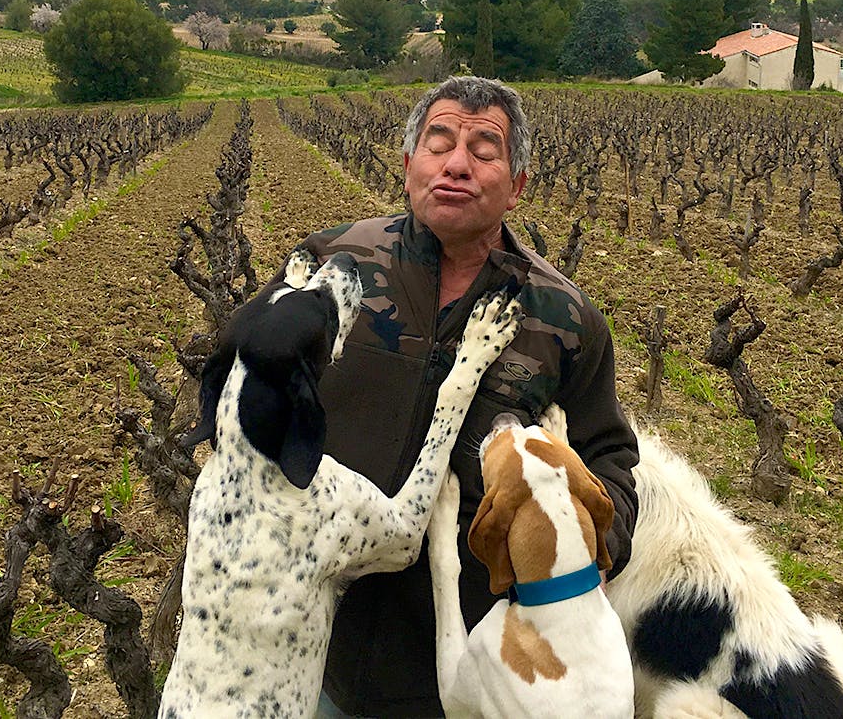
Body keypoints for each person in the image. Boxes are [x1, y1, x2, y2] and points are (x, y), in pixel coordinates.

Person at [268, 76, 641, 718]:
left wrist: (590, 559)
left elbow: (610, 461)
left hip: (467, 667)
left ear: (517, 185)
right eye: (439, 143)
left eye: (484, 150)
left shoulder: (564, 319)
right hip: (308, 641)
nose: (457, 164)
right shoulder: (333, 267)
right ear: (408, 163)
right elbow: (254, 390)